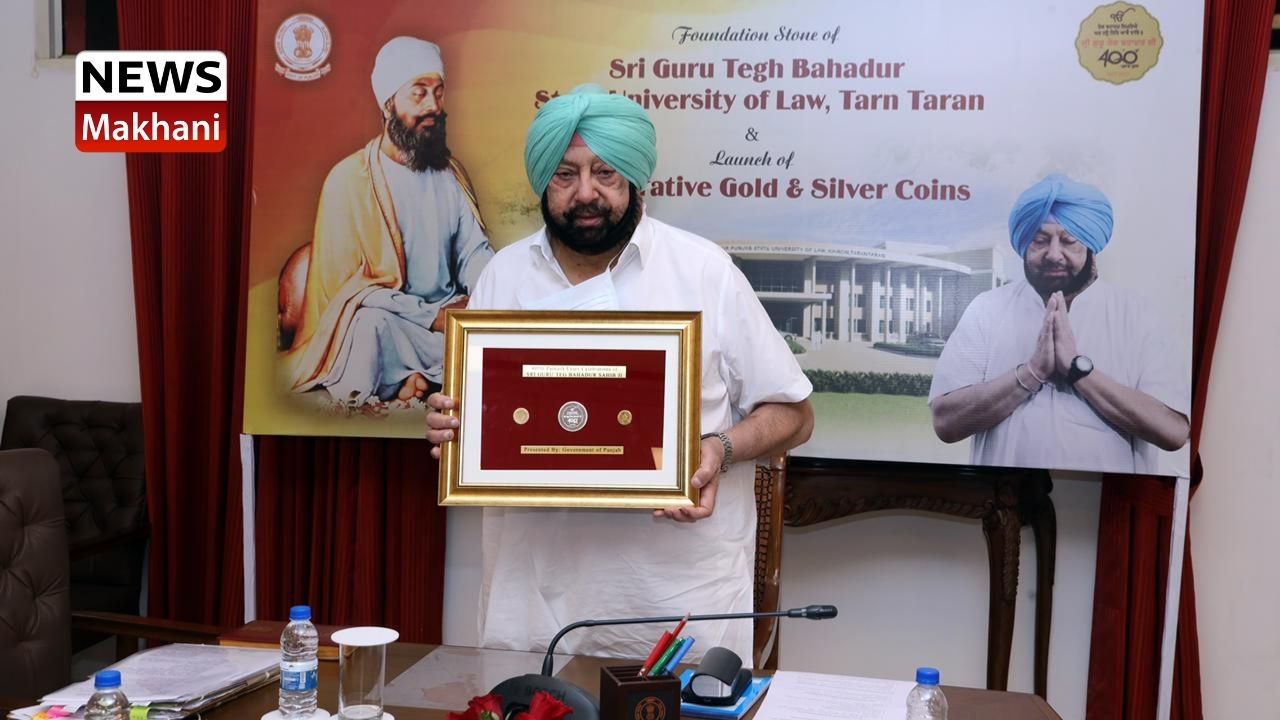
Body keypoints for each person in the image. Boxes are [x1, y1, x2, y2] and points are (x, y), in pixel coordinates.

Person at [425, 85, 814, 663]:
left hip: (677, 599)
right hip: (530, 601)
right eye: (565, 174)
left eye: (605, 172)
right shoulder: (504, 277)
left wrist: (720, 448)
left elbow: (795, 415)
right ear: (543, 182)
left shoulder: (702, 271)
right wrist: (451, 424)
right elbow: (477, 416)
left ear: (634, 177)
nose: (586, 193)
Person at [929, 174, 1189, 473]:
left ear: (1090, 246)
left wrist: (1078, 370)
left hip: (1104, 499)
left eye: (1069, 241)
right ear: (1024, 244)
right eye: (1040, 241)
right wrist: (1032, 373)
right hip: (1004, 498)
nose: (1054, 254)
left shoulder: (1136, 315)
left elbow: (1173, 432)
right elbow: (945, 423)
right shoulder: (987, 309)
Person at [285, 36, 493, 408]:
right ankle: (415, 377)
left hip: (445, 324)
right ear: (388, 104)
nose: (434, 107)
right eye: (420, 94)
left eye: (439, 93)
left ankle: (410, 377)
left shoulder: (450, 175)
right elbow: (350, 291)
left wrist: (487, 293)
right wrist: (431, 316)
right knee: (369, 327)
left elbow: (473, 253)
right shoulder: (348, 180)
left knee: (485, 334)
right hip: (391, 322)